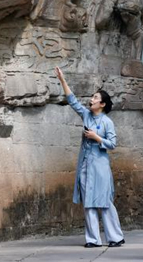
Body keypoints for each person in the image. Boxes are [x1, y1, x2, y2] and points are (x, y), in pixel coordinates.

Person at [55, 67, 125, 248]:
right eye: (92, 97)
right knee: (88, 202)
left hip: (100, 165)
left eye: (95, 98)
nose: (91, 100)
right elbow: (73, 101)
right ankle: (93, 239)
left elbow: (113, 144)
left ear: (102, 104)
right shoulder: (86, 115)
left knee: (104, 201)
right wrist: (62, 80)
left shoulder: (107, 122)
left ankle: (116, 237)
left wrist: (97, 138)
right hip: (85, 164)